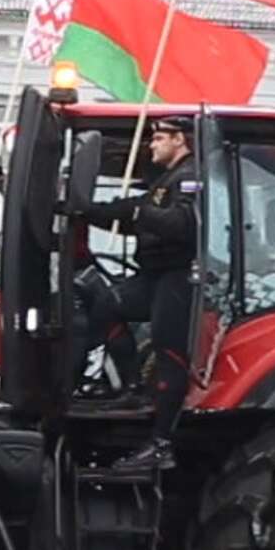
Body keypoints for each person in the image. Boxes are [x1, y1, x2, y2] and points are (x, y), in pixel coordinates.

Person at [76, 116, 198, 472]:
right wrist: (86, 211)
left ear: (180, 141)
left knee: (169, 351)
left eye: (159, 138)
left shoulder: (189, 177)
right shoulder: (163, 182)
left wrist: (140, 211)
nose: (152, 144)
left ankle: (162, 443)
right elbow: (130, 214)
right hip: (153, 275)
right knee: (106, 303)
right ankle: (131, 386)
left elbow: (182, 224)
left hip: (178, 277)